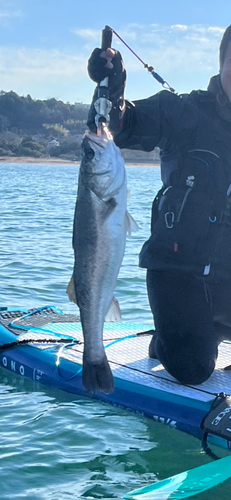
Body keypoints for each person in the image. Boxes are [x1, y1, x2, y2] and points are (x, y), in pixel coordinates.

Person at [87, 25, 231, 386]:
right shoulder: (185, 113)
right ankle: (172, 339)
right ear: (222, 64)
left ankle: (209, 326)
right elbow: (118, 124)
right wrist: (111, 83)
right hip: (179, 270)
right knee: (193, 369)